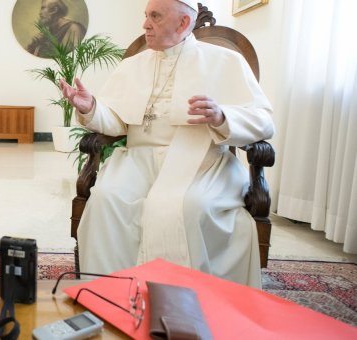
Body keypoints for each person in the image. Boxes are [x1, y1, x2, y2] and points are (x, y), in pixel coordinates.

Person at [59, 0, 274, 288]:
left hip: (200, 161)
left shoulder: (225, 61)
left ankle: (189, 303)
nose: (145, 24)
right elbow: (117, 122)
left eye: (155, 17)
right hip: (138, 159)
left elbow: (263, 121)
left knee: (191, 207)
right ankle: (110, 295)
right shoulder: (133, 65)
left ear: (183, 23)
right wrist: (91, 108)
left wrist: (223, 117)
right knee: (106, 200)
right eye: (146, 15)